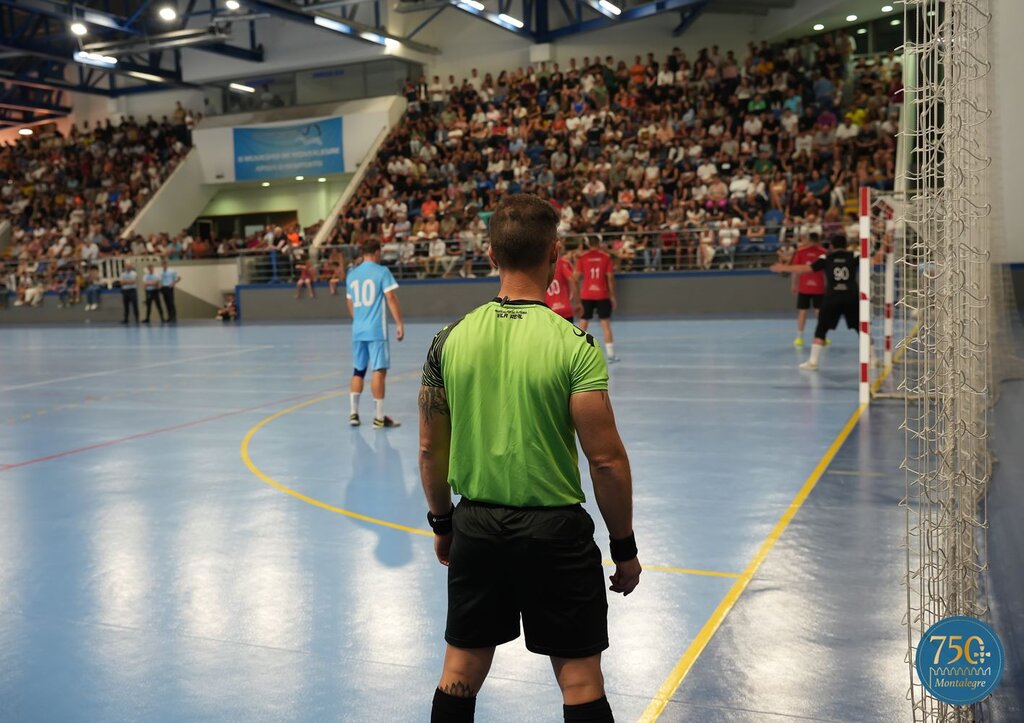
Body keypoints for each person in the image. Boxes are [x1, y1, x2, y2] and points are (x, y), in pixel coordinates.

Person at [418, 194, 641, 723]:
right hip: (556, 534)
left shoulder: (447, 341)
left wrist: (443, 523)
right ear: (556, 254)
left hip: (476, 526)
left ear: (490, 254)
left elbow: (430, 448)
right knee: (581, 679)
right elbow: (605, 460)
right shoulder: (575, 345)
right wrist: (624, 546)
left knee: (460, 671)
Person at [771, 234, 859, 370]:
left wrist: (783, 268)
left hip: (832, 297)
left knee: (821, 328)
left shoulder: (826, 257)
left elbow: (805, 269)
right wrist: (884, 247)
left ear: (831, 246)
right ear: (846, 245)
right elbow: (875, 260)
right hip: (851, 297)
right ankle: (873, 357)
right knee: (862, 328)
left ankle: (813, 361)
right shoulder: (855, 255)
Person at [346, 239, 405, 428]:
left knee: (358, 370)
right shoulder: (382, 272)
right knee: (379, 371)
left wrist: (358, 320)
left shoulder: (352, 274)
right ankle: (379, 418)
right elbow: (390, 297)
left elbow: (350, 302)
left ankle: (353, 414)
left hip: (358, 329)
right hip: (376, 331)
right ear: (377, 253)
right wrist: (399, 323)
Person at [575, 236, 618, 362]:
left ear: (588, 244)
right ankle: (610, 355)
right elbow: (610, 277)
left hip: (587, 294)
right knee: (605, 324)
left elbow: (575, 277)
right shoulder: (606, 257)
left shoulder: (583, 258)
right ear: (599, 243)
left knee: (583, 324)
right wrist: (612, 295)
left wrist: (577, 294)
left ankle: (576, 354)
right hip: (602, 295)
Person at [789, 232, 826, 347]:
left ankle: (800, 338)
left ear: (809, 240)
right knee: (818, 312)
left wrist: (794, 284)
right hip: (816, 287)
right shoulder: (823, 252)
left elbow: (796, 270)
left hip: (808, 287)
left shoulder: (801, 251)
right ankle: (820, 338)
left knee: (804, 312)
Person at [545, 249, 581, 323]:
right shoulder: (562, 263)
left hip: (549, 310)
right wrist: (576, 300)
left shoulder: (540, 266)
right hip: (564, 307)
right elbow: (573, 280)